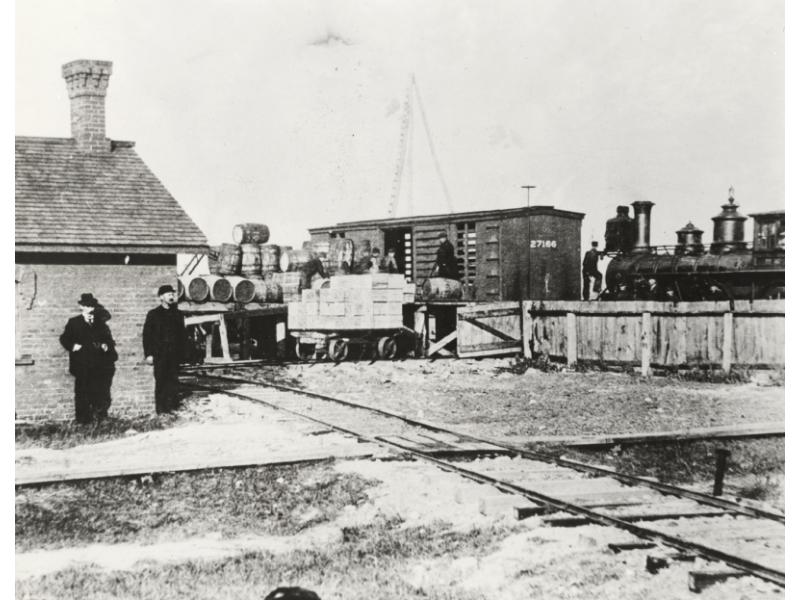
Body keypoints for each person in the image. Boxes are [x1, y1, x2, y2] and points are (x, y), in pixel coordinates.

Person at [59, 293, 117, 423]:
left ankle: (99, 417)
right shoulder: (74, 322)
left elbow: (108, 340)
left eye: (91, 306)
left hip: (98, 363)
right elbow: (64, 338)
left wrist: (106, 345)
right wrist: (73, 346)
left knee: (100, 391)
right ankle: (83, 420)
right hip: (81, 363)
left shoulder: (100, 324)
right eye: (86, 306)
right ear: (81, 307)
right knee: (82, 392)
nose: (90, 309)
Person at [143, 284, 185, 414]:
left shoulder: (178, 314)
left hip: (173, 355)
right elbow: (147, 335)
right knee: (161, 381)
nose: (171, 296)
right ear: (161, 297)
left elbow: (182, 335)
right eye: (168, 294)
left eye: (172, 294)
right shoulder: (153, 314)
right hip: (160, 354)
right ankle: (161, 410)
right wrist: (149, 354)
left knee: (173, 381)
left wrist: (183, 354)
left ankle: (172, 408)